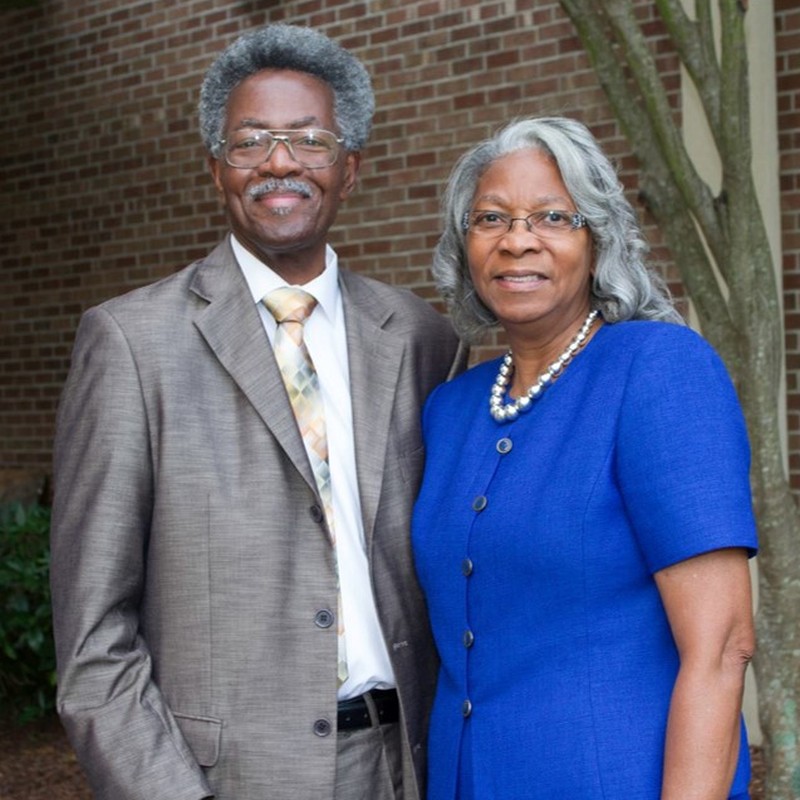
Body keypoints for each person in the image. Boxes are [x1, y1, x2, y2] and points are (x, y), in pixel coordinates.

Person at [50, 24, 465, 800]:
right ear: (217, 170)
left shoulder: (421, 339)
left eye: (310, 139)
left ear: (350, 169)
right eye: (252, 142)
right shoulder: (133, 344)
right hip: (226, 779)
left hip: (406, 764)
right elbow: (93, 639)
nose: (281, 162)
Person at [411, 116, 757, 799]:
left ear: (597, 239)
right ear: (464, 245)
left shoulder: (657, 370)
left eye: (552, 217)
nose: (518, 241)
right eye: (491, 218)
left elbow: (721, 647)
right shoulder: (452, 410)